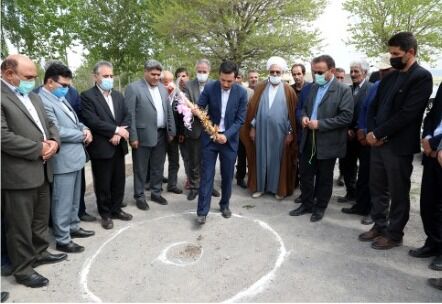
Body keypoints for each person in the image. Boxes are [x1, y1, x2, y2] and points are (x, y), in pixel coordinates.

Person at [360, 32, 433, 249]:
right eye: (390, 53)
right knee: (378, 187)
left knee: (398, 191)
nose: (392, 57)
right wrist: (372, 132)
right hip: (378, 143)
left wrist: (380, 134)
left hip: (398, 146)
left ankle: (394, 233)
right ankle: (379, 225)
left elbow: (407, 114)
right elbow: (374, 106)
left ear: (410, 52)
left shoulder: (421, 77)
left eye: (396, 53)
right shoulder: (391, 76)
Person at [1, 54, 66, 288]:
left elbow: (50, 124)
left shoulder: (33, 96)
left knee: (40, 219)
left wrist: (55, 143)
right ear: (9, 74)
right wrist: (38, 148)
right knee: (19, 226)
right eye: (28, 77)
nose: (33, 81)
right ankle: (23, 269)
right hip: (17, 175)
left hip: (43, 169)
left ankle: (40, 252)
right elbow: (3, 136)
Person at [38, 62, 95, 252]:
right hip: (62, 160)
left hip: (75, 158)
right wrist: (81, 135)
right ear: (50, 82)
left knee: (73, 198)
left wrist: (85, 129)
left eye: (68, 85)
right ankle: (63, 239)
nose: (67, 89)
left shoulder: (60, 98)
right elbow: (55, 130)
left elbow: (75, 121)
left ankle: (73, 226)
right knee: (62, 200)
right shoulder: (43, 101)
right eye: (64, 85)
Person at [289, 55, 353, 222]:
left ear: (331, 71)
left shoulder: (343, 90)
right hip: (309, 139)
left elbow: (346, 117)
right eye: (314, 71)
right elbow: (303, 108)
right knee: (305, 174)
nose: (316, 75)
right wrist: (303, 117)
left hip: (328, 141)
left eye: (320, 72)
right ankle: (307, 203)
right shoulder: (313, 88)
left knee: (325, 177)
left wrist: (320, 124)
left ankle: (320, 207)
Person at [341, 53, 394, 225]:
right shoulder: (374, 86)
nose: (354, 74)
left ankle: (375, 211)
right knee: (364, 174)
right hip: (361, 136)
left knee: (377, 180)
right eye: (381, 70)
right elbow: (366, 110)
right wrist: (361, 129)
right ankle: (361, 205)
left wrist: (372, 133)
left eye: (356, 71)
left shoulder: (381, 87)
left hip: (379, 139)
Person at [81, 61, 133, 229]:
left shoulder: (118, 95)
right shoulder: (87, 96)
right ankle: (105, 214)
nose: (109, 79)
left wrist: (119, 133)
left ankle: (116, 209)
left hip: (118, 146)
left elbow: (127, 116)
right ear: (96, 77)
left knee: (119, 180)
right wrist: (115, 131)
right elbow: (92, 121)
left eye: (111, 76)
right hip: (101, 147)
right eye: (105, 76)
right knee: (103, 183)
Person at [195, 61, 248, 224]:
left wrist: (227, 135)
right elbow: (200, 106)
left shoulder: (241, 92)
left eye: (229, 81)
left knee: (227, 175)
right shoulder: (210, 87)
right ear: (218, 76)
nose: (225, 84)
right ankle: (202, 211)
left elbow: (240, 119)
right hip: (210, 139)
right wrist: (197, 112)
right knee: (207, 175)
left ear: (236, 78)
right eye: (223, 80)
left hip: (229, 140)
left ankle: (224, 204)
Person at [241, 56, 298, 200]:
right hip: (261, 132)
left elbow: (293, 115)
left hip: (281, 134)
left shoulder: (288, 90)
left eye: (278, 72)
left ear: (282, 73)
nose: (275, 75)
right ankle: (260, 187)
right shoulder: (260, 87)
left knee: (278, 160)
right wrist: (252, 128)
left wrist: (290, 132)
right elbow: (253, 110)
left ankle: (278, 189)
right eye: (272, 72)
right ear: (268, 71)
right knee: (261, 159)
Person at [126, 60, 176, 209]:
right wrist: (132, 136)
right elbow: (130, 114)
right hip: (142, 136)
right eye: (153, 74)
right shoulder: (133, 88)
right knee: (140, 168)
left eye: (158, 74)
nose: (155, 77)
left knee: (158, 166)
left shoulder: (162, 88)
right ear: (145, 72)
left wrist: (171, 130)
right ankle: (140, 196)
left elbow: (168, 110)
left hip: (161, 134)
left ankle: (156, 192)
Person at [408, 83, 441, 270]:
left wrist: (436, 143)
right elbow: (431, 114)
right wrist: (427, 137)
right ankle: (433, 242)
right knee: (428, 202)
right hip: (431, 154)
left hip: (439, 149)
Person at [183, 59, 220, 201]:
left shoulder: (215, 85)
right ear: (195, 70)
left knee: (209, 160)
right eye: (199, 71)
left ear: (209, 72)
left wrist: (208, 117)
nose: (202, 74)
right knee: (194, 160)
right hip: (195, 129)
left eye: (204, 72)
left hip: (210, 128)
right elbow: (184, 104)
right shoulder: (188, 85)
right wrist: (192, 111)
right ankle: (194, 187)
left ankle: (209, 186)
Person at [338, 59, 373, 203]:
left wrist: (359, 129)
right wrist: (347, 129)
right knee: (347, 166)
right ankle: (351, 193)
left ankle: (362, 199)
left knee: (366, 170)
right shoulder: (347, 89)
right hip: (348, 136)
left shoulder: (371, 89)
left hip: (364, 137)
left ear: (364, 73)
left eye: (356, 71)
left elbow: (371, 112)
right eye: (351, 71)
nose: (352, 74)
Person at [161, 70, 183, 194]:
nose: (169, 84)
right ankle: (155, 184)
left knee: (174, 160)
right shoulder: (157, 95)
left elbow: (180, 116)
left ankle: (172, 184)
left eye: (170, 81)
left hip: (174, 135)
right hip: (160, 134)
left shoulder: (177, 95)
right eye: (165, 82)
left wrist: (180, 133)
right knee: (158, 161)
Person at [235, 71, 253, 189]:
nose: (236, 79)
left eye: (239, 77)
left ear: (242, 78)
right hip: (229, 128)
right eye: (235, 77)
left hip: (244, 128)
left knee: (243, 154)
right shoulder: (226, 90)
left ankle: (240, 178)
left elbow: (252, 111)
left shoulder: (250, 92)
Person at [174, 67, 191, 189]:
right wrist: (180, 132)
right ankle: (189, 178)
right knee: (186, 156)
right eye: (179, 76)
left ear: (188, 77)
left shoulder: (193, 91)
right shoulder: (174, 94)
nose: (181, 79)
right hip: (182, 132)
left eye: (183, 76)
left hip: (196, 131)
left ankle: (199, 179)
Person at [334, 67, 346, 187]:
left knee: (343, 157)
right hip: (330, 130)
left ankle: (342, 175)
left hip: (343, 130)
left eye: (342, 78)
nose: (339, 80)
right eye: (337, 77)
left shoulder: (346, 90)